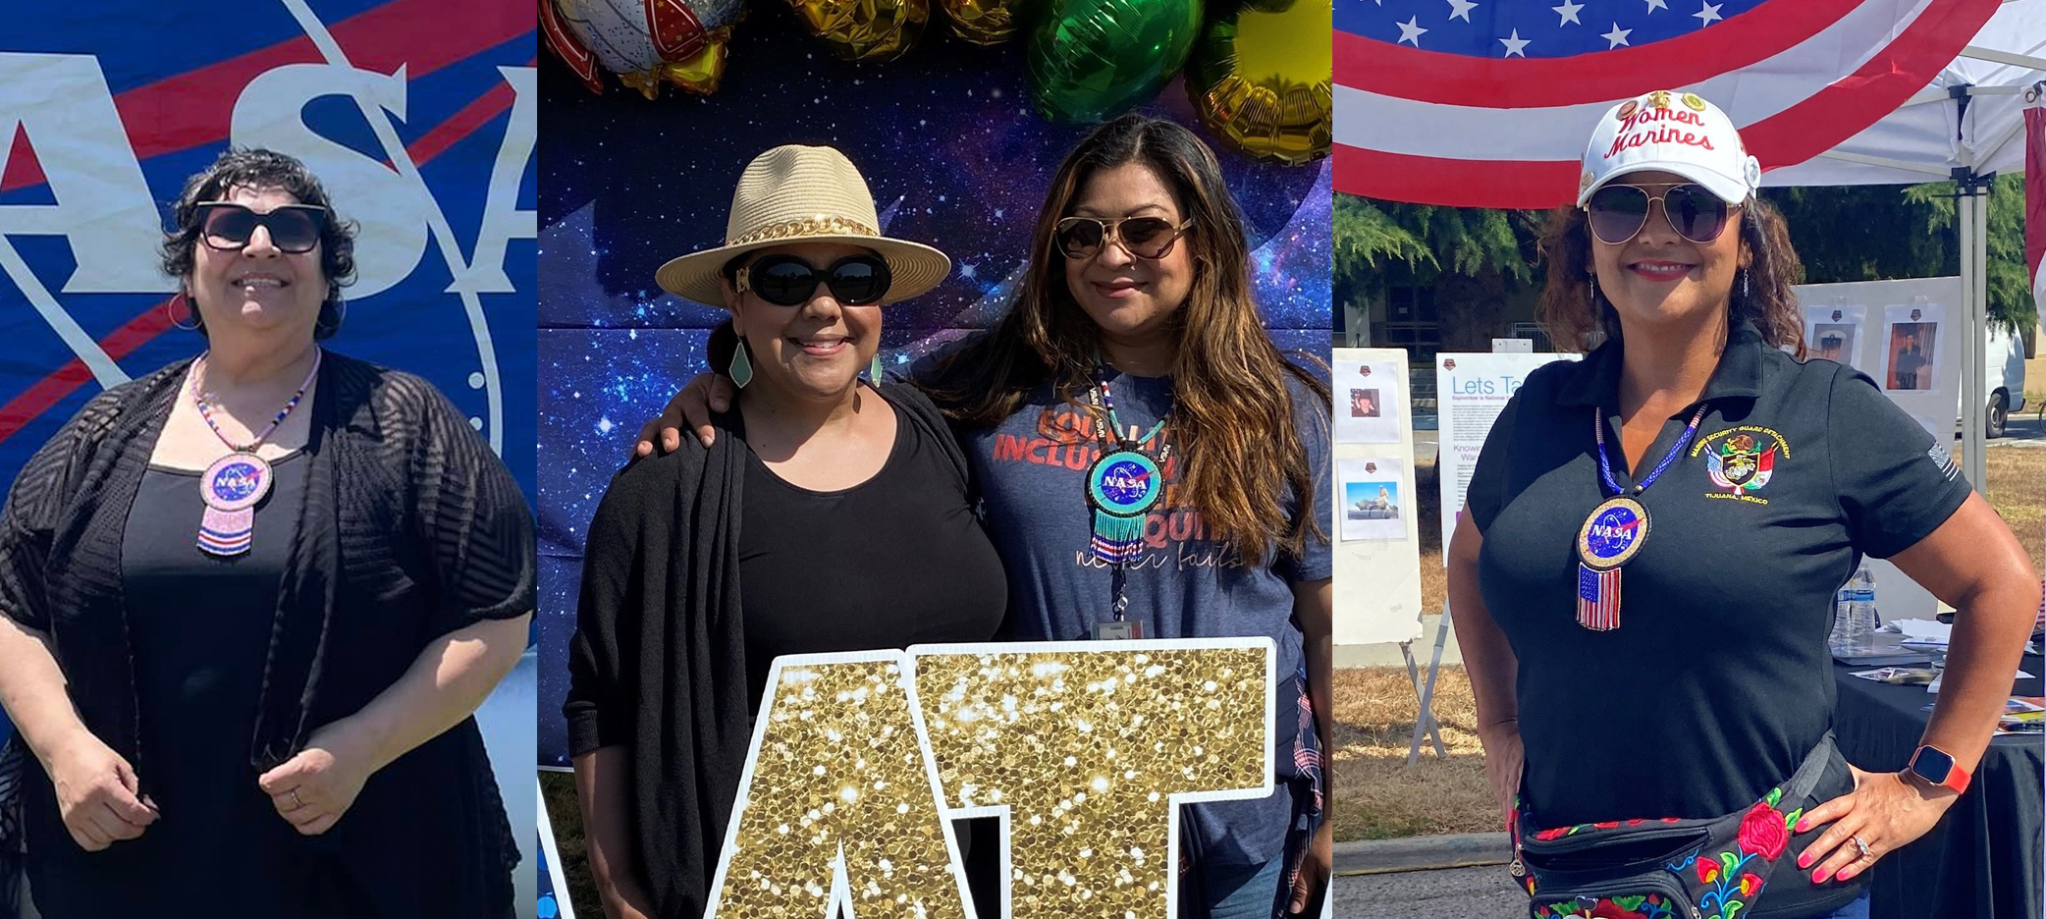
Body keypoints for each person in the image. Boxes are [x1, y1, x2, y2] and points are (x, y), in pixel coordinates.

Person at [639, 114, 1335, 919]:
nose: (1113, 256)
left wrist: (1337, 811)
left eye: (1145, 230)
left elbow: (1319, 617)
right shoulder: (983, 391)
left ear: (1203, 240)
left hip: (1245, 813)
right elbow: (821, 377)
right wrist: (714, 390)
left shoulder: (1281, 407)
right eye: (1083, 234)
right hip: (1072, 822)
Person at [1447, 91, 2039, 919]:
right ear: (1587, 242)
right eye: (1623, 205)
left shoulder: (1820, 410)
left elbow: (2000, 583)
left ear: (1745, 240)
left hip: (1778, 895)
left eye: (1694, 206)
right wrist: (1498, 721)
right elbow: (1471, 558)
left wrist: (1927, 784)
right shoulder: (1540, 412)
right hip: (1577, 885)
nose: (1657, 232)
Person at [0, 149, 534, 917]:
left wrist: (363, 744)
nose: (261, 245)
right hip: (117, 869)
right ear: (189, 271)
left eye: (292, 228)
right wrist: (63, 749)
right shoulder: (107, 428)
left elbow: (499, 615)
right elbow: (12, 607)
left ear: (327, 273)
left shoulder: (404, 422)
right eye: (229, 227)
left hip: (354, 864)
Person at [564, 145, 1008, 919]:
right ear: (736, 301)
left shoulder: (942, 433)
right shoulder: (667, 487)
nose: (823, 306)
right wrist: (618, 885)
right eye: (785, 279)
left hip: (965, 892)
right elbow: (603, 693)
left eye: (854, 278)